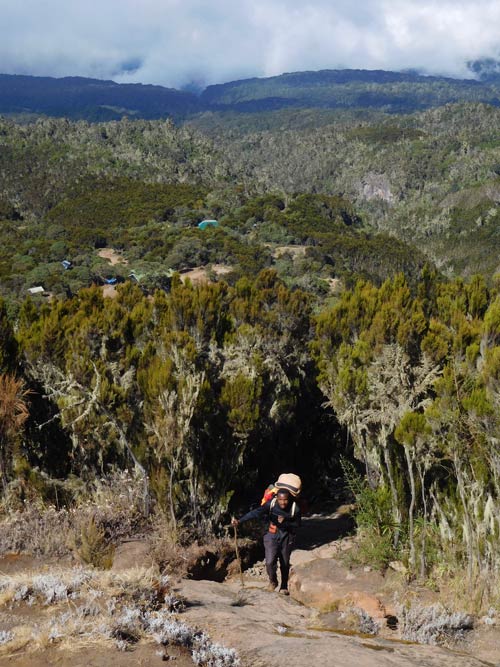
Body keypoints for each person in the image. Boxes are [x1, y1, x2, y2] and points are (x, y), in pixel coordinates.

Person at [232, 488, 301, 595]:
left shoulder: (294, 508)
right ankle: (273, 581)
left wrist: (285, 522)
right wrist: (240, 521)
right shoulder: (271, 504)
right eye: (281, 500)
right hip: (271, 534)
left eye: (285, 500)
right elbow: (256, 513)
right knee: (269, 561)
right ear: (277, 498)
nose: (283, 503)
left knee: (285, 562)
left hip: (287, 536)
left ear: (289, 499)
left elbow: (297, 525)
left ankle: (283, 586)